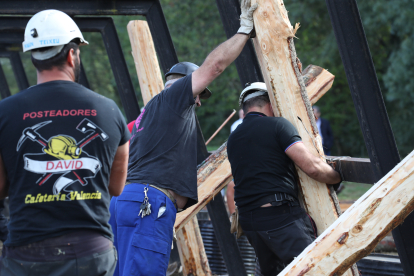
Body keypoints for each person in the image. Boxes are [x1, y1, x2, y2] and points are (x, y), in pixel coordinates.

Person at [109, 1, 259, 275]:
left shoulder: (147, 114)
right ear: (183, 84)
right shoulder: (174, 97)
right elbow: (214, 67)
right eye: (200, 94)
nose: (199, 102)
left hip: (128, 200)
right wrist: (244, 31)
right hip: (148, 203)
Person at [0, 10, 130, 275]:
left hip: (26, 256)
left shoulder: (5, 112)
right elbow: (116, 186)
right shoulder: (108, 110)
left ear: (33, 57)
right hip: (91, 253)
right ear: (72, 54)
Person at [227, 82, 342, 276]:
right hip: (280, 217)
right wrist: (337, 177)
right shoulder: (278, 125)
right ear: (271, 104)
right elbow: (312, 168)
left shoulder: (234, 138)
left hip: (250, 221)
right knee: (313, 270)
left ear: (245, 109)